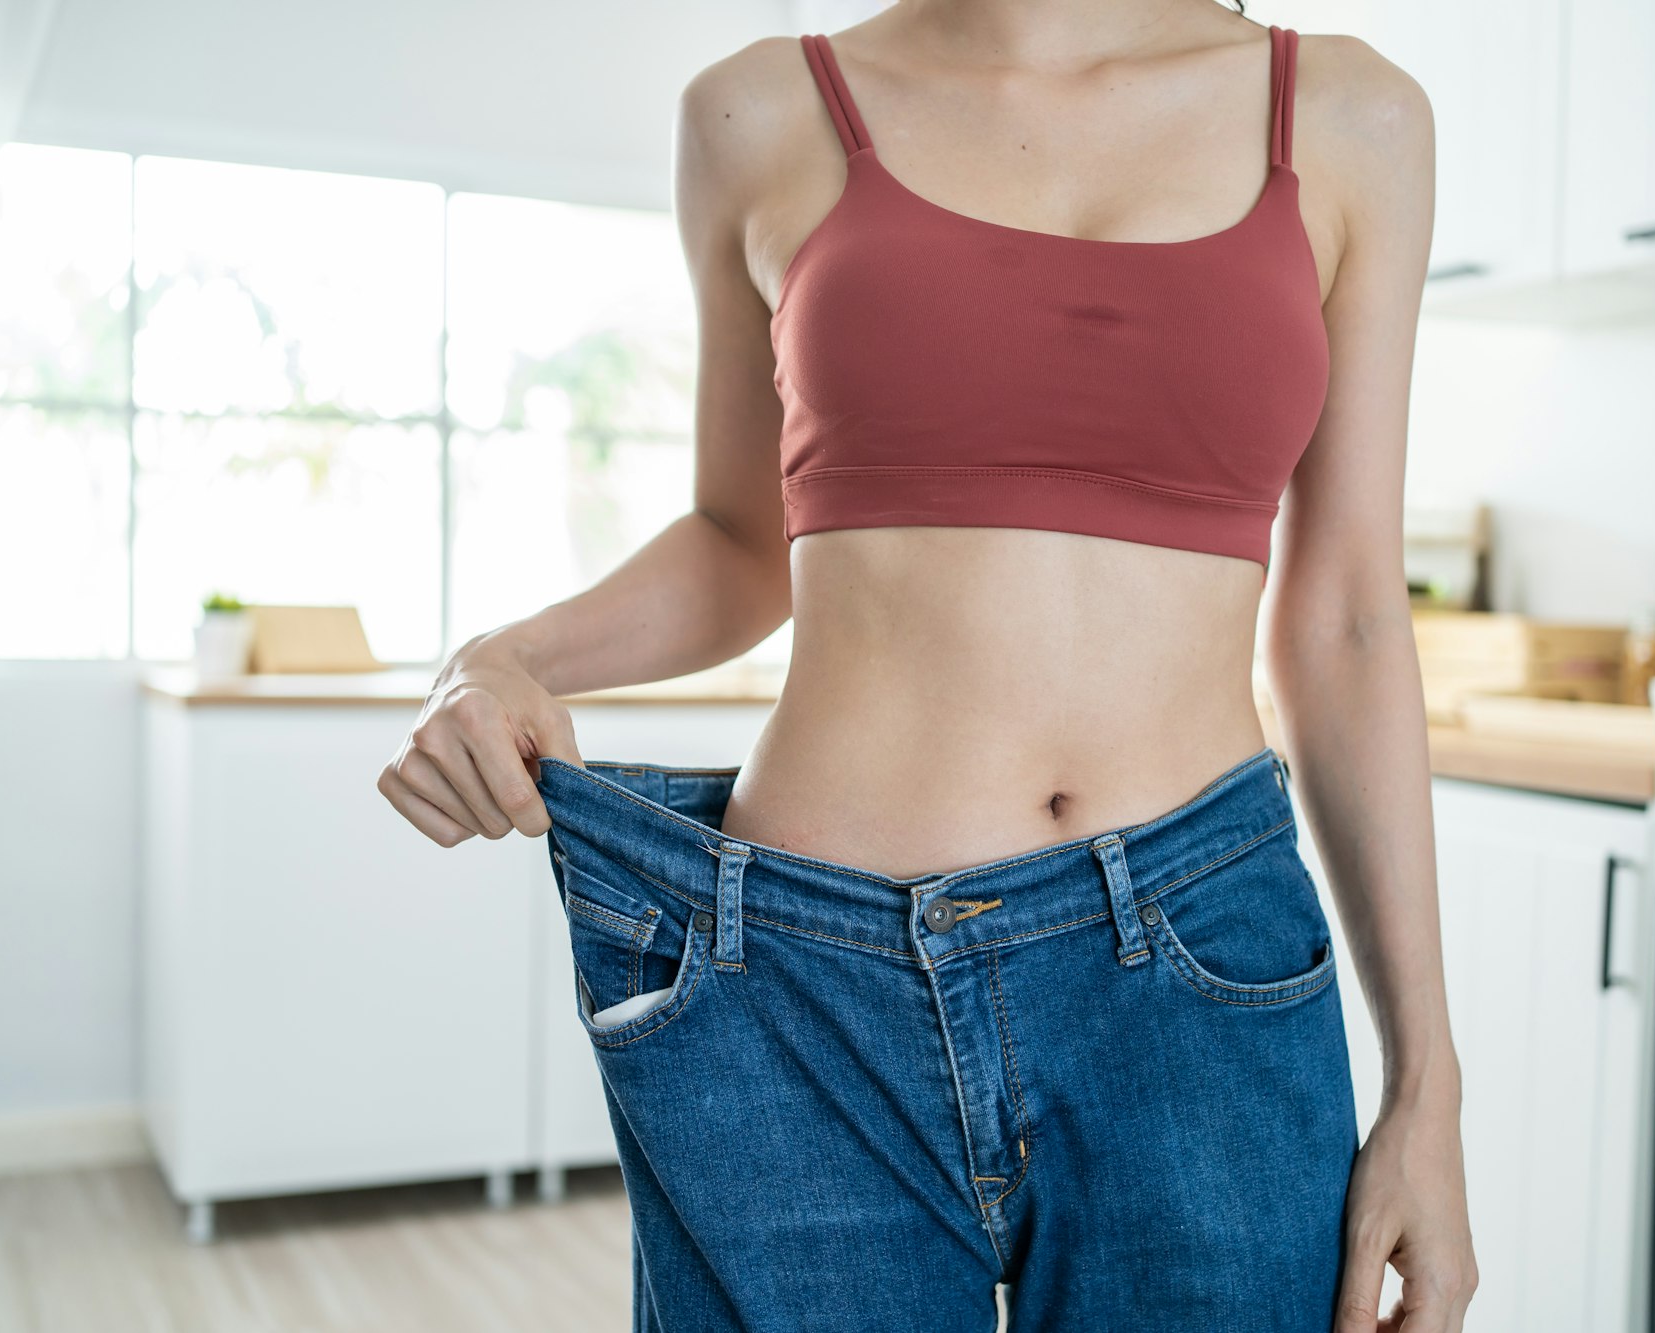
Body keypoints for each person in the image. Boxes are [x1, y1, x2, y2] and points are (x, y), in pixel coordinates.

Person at [380, 2, 1477, 1329]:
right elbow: (742, 541)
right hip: (805, 979)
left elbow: (1349, 612)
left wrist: (1429, 1082)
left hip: (1198, 972)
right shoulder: (760, 112)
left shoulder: (1353, 119)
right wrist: (497, 658)